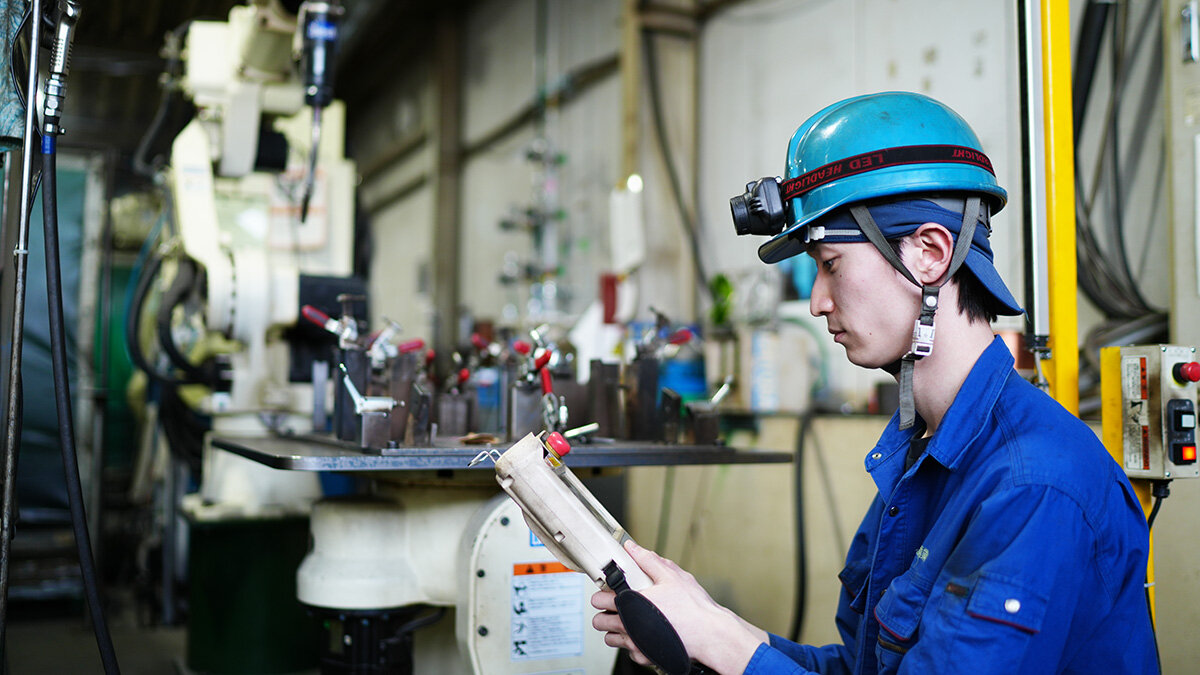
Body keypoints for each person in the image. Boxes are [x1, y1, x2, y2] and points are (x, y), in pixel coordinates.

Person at [591, 92, 1158, 674]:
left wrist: (729, 650)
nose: (816, 301)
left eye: (830, 263)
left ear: (930, 254)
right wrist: (711, 628)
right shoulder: (925, 457)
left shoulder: (1032, 486)